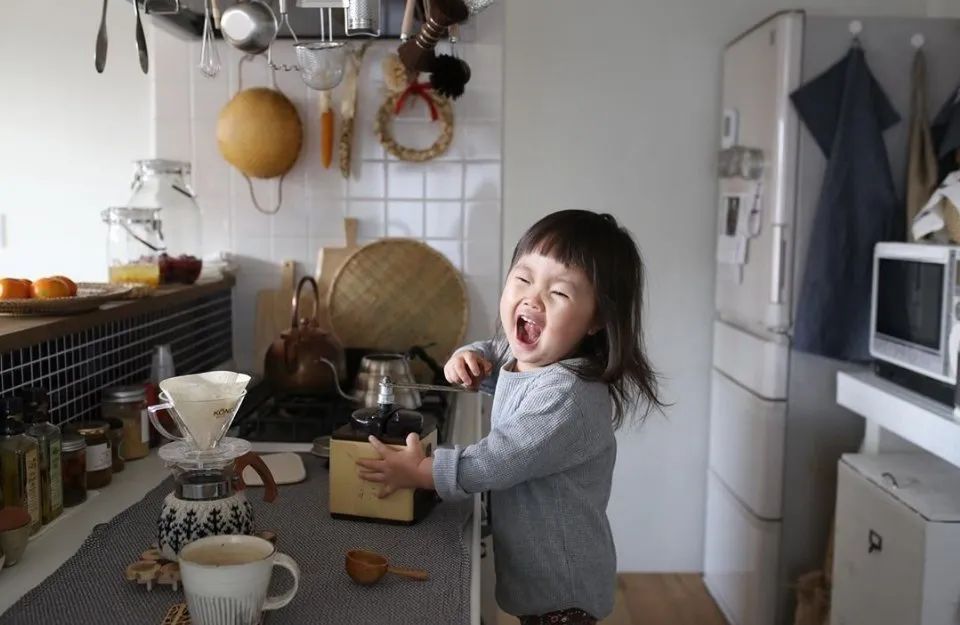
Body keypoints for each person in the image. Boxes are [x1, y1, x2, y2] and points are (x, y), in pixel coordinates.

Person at [356, 209, 664, 624]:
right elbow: (498, 349)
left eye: (560, 293)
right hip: (541, 577)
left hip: (563, 592)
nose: (533, 297)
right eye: (523, 278)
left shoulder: (568, 397)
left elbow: (497, 460)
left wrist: (424, 472)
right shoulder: (541, 357)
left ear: (597, 320)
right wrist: (471, 357)